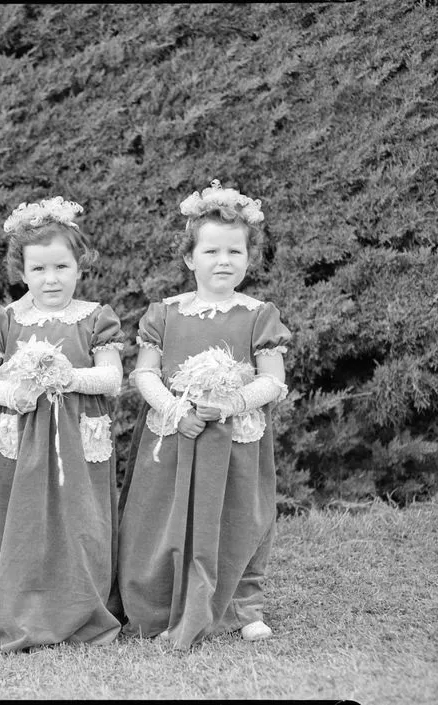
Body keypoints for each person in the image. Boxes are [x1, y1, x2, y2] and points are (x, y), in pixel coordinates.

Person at [117, 179, 292, 647]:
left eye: (235, 252)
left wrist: (231, 402)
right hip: (176, 435)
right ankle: (159, 601)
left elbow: (272, 380)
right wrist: (176, 409)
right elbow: (144, 374)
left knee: (241, 517)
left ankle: (241, 606)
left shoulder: (258, 314)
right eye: (211, 251)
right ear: (190, 257)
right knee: (162, 518)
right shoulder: (165, 313)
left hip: (233, 439)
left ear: (249, 259)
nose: (223, 261)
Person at [0, 196, 124, 652]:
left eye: (61, 267)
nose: (50, 279)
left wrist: (65, 376)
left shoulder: (95, 318)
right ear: (21, 271)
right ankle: (18, 608)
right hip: (20, 433)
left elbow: (112, 378)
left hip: (77, 435)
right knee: (20, 520)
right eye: (38, 269)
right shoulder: (7, 320)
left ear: (80, 265)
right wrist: (14, 391)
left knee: (80, 519)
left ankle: (81, 605)